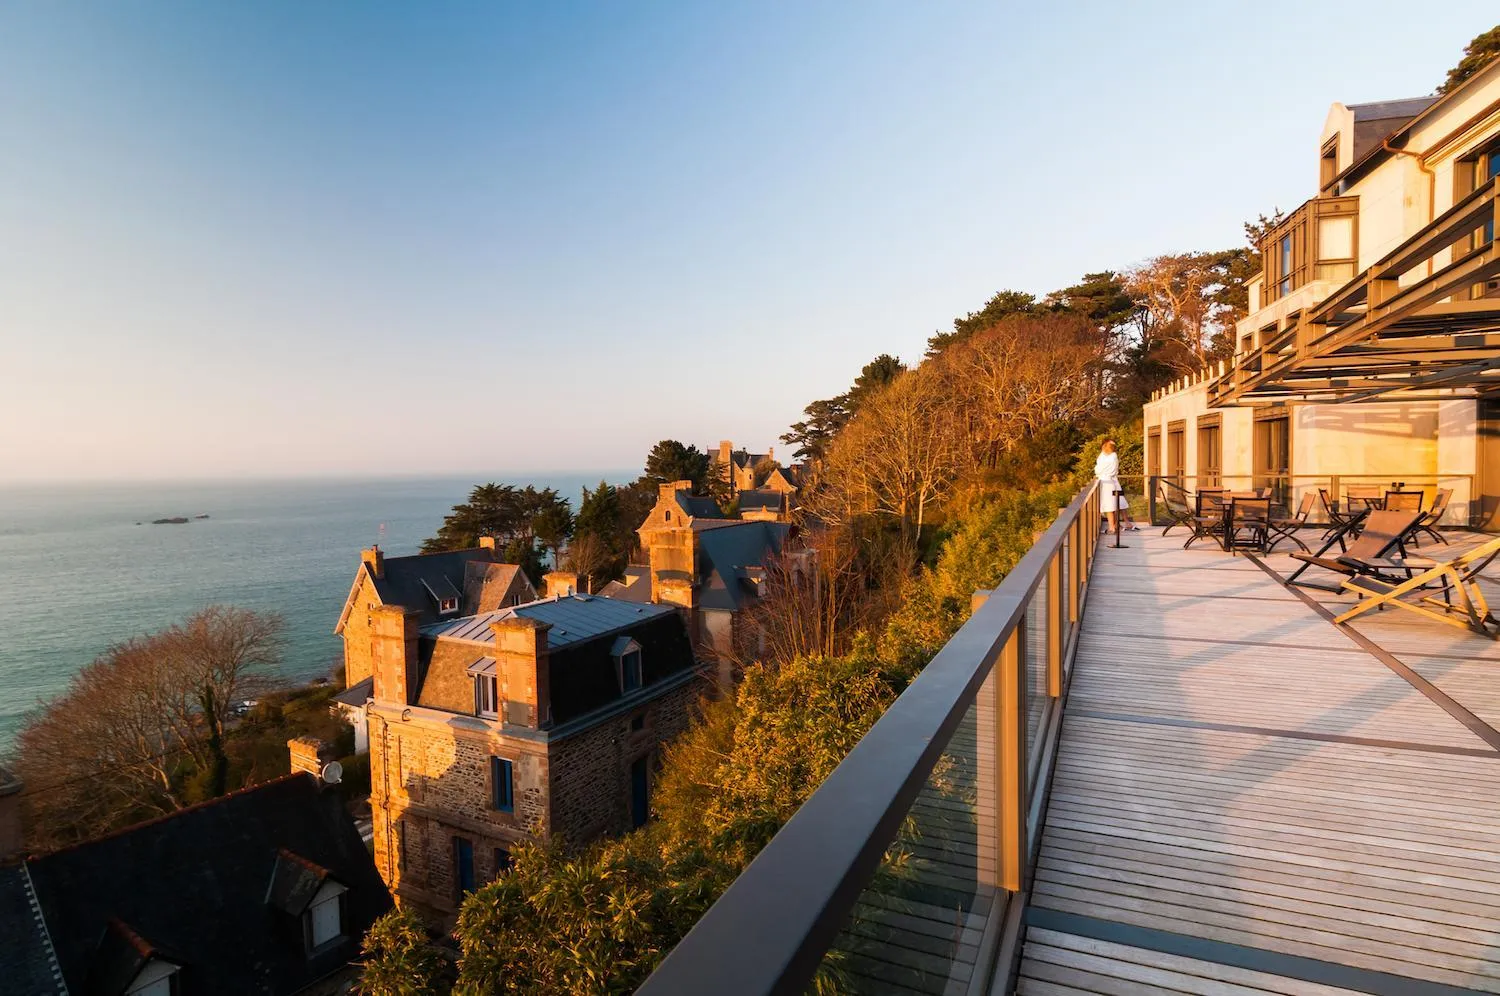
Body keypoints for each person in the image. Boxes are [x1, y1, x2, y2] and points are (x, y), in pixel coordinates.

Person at [1094, 440, 1137, 532]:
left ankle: (1112, 527)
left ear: (1105, 447)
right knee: (1117, 502)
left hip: (1106, 482)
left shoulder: (1108, 458)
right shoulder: (1112, 457)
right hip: (1112, 481)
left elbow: (1097, 470)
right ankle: (1120, 524)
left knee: (1109, 504)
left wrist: (1098, 470)